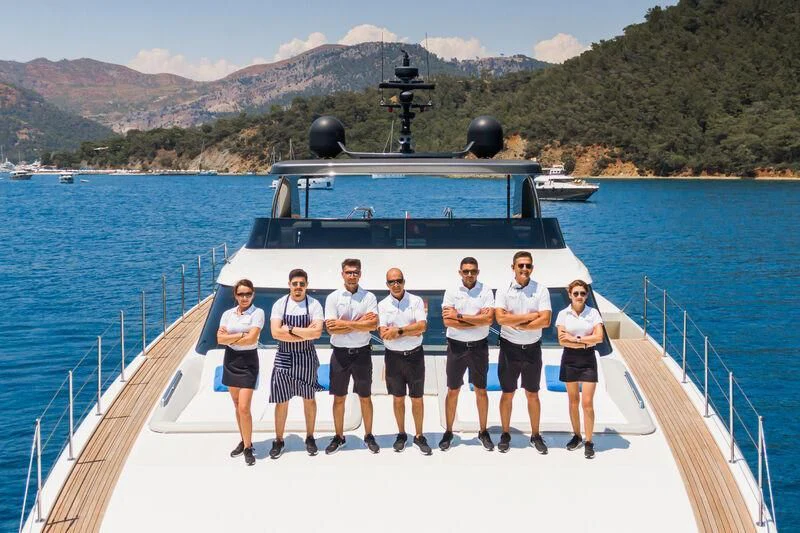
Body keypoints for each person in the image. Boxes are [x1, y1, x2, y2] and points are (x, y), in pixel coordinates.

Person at [494, 251, 552, 454]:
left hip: (532, 350)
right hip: (509, 349)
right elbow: (500, 319)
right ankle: (505, 433)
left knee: (532, 394)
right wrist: (530, 317)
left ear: (532, 268)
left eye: (528, 266)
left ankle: (535, 435)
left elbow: (545, 320)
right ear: (513, 268)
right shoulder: (503, 290)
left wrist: (518, 322)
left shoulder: (541, 290)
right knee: (507, 394)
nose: (524, 269)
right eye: (521, 266)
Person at [324, 258, 380, 454]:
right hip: (339, 354)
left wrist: (345, 324)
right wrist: (359, 322)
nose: (352, 275)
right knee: (339, 398)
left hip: (362, 353)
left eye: (355, 272)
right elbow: (331, 329)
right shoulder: (333, 298)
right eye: (348, 272)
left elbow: (373, 325)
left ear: (360, 274)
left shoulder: (369, 297)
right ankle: (339, 437)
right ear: (342, 274)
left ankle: (369, 435)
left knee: (365, 396)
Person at [439, 257, 495, 451]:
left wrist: (460, 316)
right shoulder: (452, 291)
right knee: (453, 390)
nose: (469, 274)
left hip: (479, 347)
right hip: (456, 347)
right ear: (460, 272)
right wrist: (476, 318)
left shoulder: (486, 291)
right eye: (466, 271)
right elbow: (448, 322)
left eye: (473, 271)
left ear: (477, 272)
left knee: (481, 389)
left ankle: (483, 430)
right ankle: (449, 431)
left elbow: (488, 320)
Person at [268, 268, 324, 459]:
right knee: (281, 400)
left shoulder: (314, 304)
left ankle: (310, 437)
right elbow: (275, 333)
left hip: (307, 357)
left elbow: (317, 334)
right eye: (295, 284)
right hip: (283, 357)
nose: (298, 287)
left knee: (309, 399)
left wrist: (290, 329)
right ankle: (278, 440)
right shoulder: (279, 304)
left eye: (302, 284)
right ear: (289, 285)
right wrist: (304, 332)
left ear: (306, 285)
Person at [378, 268, 432, 455]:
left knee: (417, 399)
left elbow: (422, 326)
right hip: (393, 358)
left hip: (415, 356)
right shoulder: (383, 304)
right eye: (392, 281)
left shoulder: (416, 301)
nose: (396, 284)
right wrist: (410, 329)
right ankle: (401, 434)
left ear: (404, 281)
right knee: (398, 398)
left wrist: (398, 331)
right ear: (387, 284)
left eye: (399, 280)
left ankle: (419, 435)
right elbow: (384, 333)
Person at [216, 279, 264, 466]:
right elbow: (219, 338)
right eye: (241, 294)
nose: (245, 297)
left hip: (248, 361)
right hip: (230, 360)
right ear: (235, 295)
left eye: (248, 294)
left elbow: (252, 338)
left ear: (253, 294)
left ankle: (248, 446)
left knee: (244, 407)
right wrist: (240, 336)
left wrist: (232, 337)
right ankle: (244, 439)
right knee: (237, 405)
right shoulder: (227, 314)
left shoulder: (257, 313)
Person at [555, 279, 605, 459]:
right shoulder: (563, 314)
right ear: (570, 294)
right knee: (573, 401)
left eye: (583, 293)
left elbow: (599, 338)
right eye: (575, 293)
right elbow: (561, 340)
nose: (579, 296)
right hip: (569, 359)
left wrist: (575, 339)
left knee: (587, 403)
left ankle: (589, 441)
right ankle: (576, 435)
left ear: (587, 295)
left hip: (588, 359)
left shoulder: (593, 314)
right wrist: (585, 339)